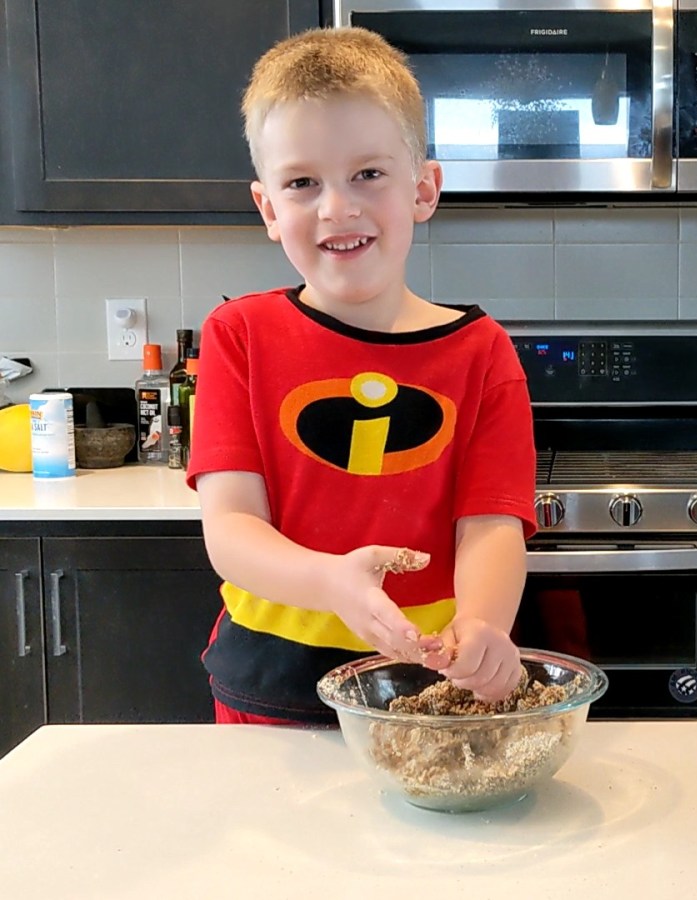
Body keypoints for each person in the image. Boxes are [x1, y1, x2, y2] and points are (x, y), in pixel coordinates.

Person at [186, 26, 537, 726]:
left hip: (427, 685)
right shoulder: (238, 336)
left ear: (424, 189)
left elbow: (492, 528)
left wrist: (484, 623)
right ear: (268, 208)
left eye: (368, 174)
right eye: (302, 183)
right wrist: (329, 581)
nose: (336, 208)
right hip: (268, 684)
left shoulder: (482, 352)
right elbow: (230, 527)